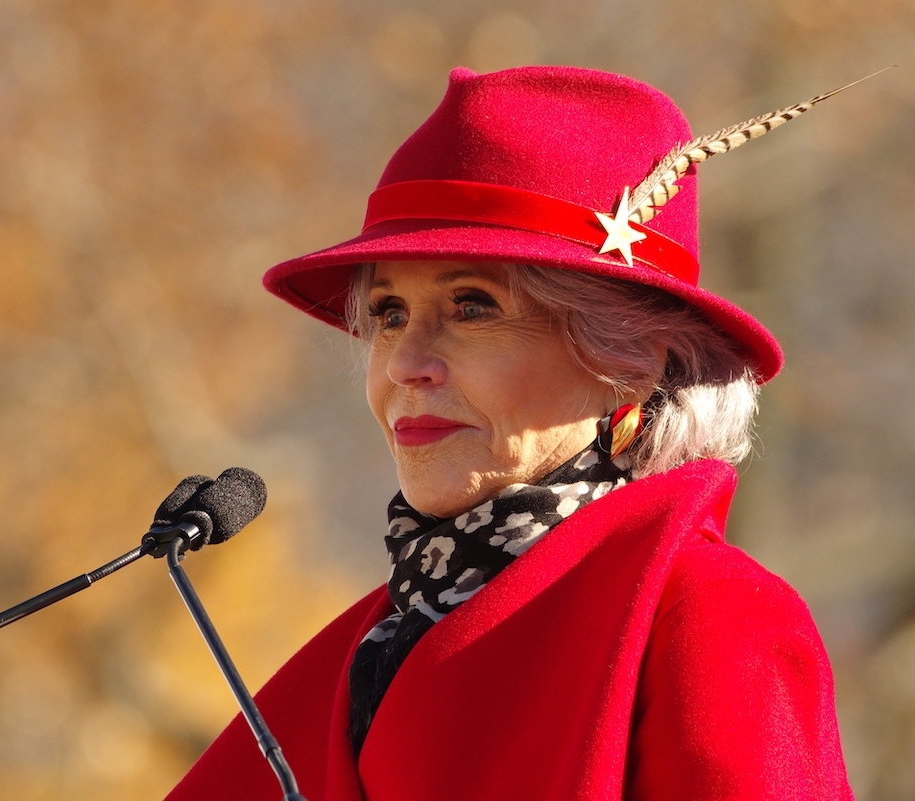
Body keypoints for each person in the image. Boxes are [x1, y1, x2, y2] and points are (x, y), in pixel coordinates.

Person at [167, 65, 854, 800]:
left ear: (631, 360)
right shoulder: (365, 649)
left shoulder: (711, 618)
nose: (405, 363)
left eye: (473, 306)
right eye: (390, 313)